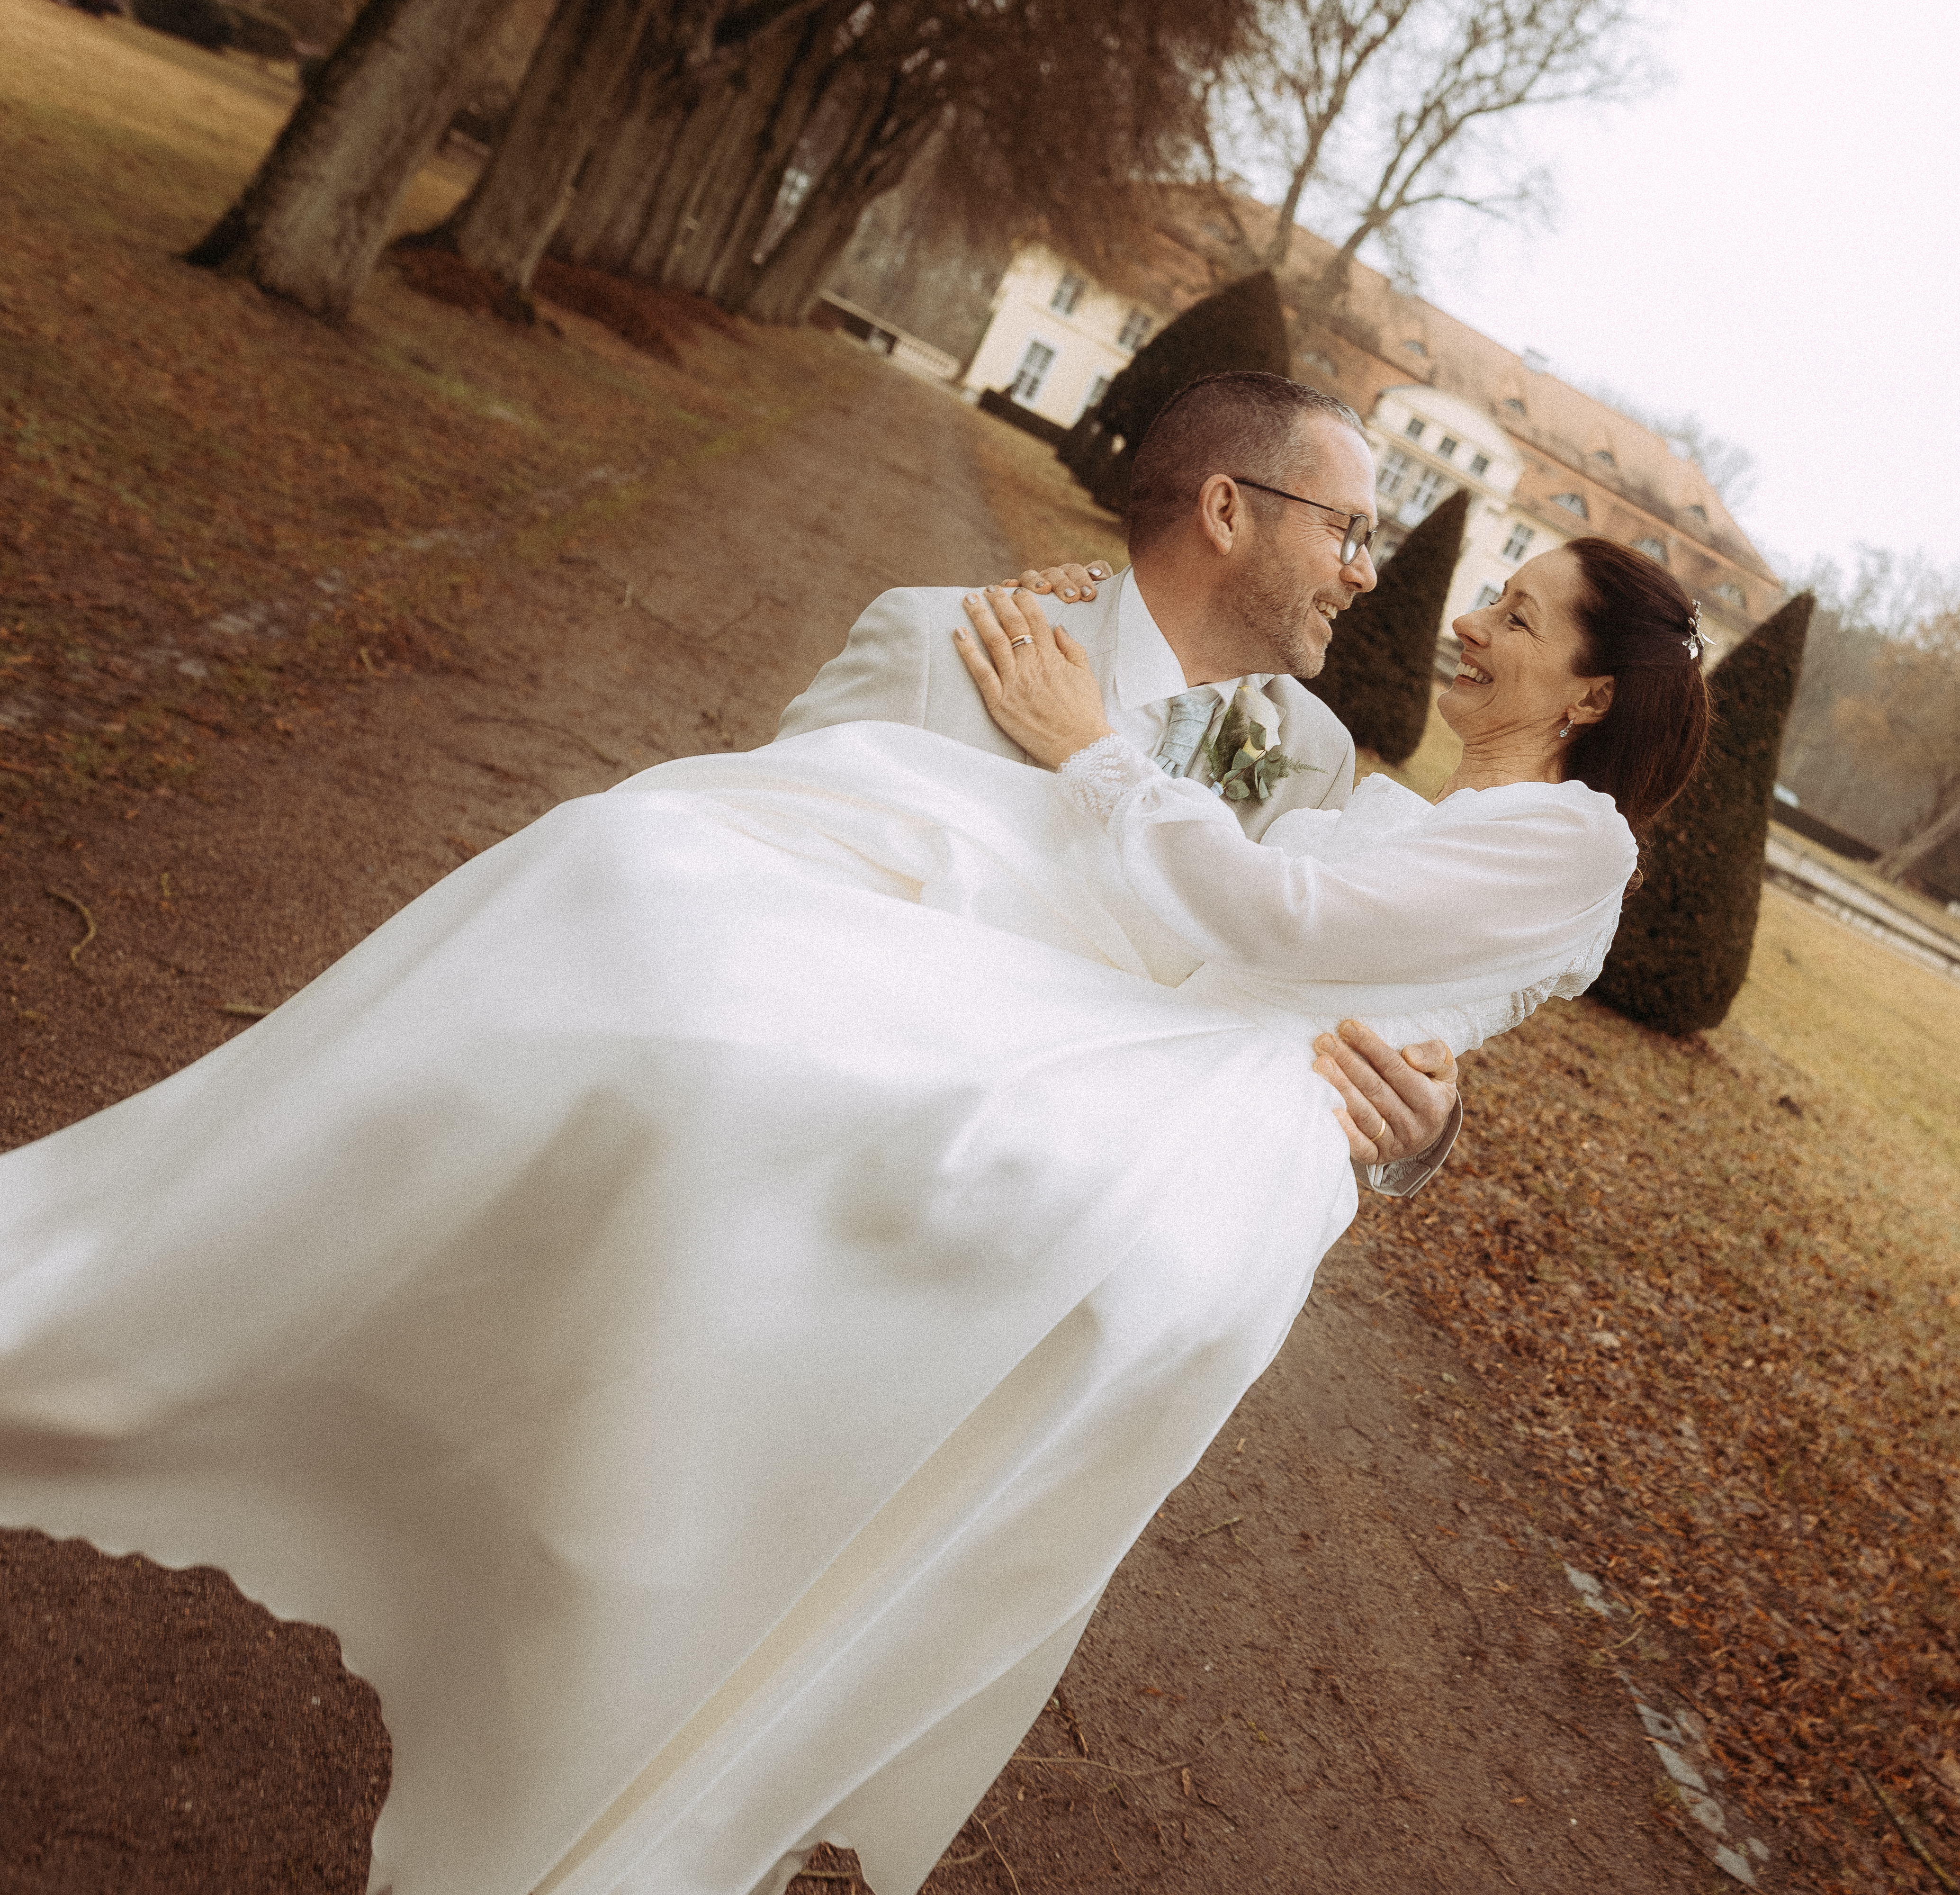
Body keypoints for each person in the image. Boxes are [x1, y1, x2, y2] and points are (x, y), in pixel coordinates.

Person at [0, 491, 1708, 1887]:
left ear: (1587, 697)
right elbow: (1304, 916)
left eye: (1517, 613)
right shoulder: (1374, 788)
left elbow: (1287, 933)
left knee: (885, 1301)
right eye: (1487, 590)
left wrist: (1089, 750)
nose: (1464, 618)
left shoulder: (1565, 840)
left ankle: (654, 1716)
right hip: (1157, 1034)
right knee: (691, 908)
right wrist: (1077, 659)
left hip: (1203, 1129)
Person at [781, 371, 1468, 1198]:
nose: (1366, 575)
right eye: (1346, 530)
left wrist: (1407, 1118)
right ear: (1226, 512)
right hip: (853, 1161)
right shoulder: (938, 647)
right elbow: (756, 884)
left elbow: (1298, 1016)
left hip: (1097, 1209)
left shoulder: (1317, 759)